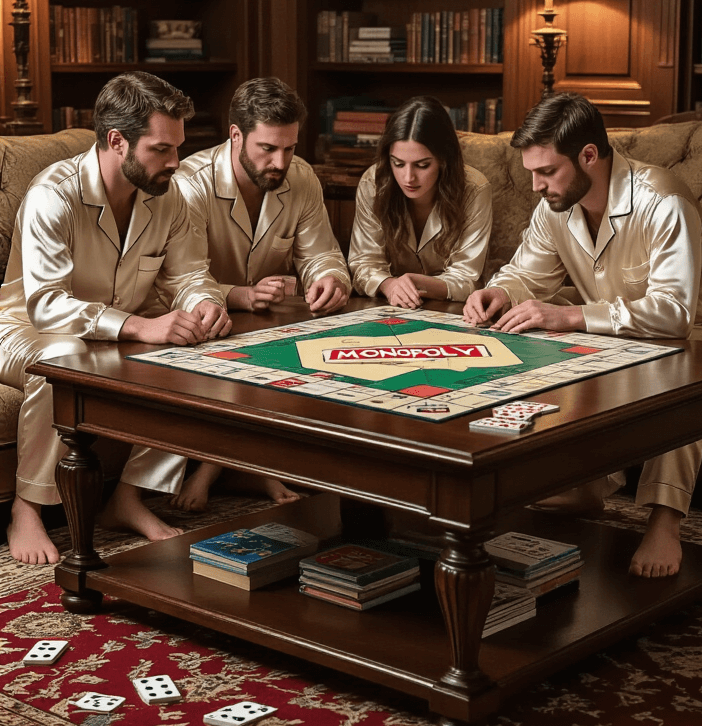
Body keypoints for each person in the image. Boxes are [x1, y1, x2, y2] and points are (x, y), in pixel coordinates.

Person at [462, 92, 702, 578]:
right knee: (525, 326)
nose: (535, 185)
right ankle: (582, 484)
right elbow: (526, 274)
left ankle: (666, 519)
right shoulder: (556, 203)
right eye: (531, 172)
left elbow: (674, 315)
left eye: (547, 171)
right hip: (620, 328)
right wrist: (499, 292)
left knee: (671, 362)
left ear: (589, 154)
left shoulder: (663, 201)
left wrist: (569, 317)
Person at [0, 71, 232, 566]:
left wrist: (204, 304)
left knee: (199, 353)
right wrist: (140, 327)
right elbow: (45, 305)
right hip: (25, 331)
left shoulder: (169, 194)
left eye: (178, 148)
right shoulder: (53, 194)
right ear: (116, 141)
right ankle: (27, 507)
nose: (176, 162)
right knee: (65, 356)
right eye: (161, 149)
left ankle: (127, 498)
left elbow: (190, 273)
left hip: (115, 332)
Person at [173, 76, 352, 510]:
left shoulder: (301, 176)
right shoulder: (190, 183)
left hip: (274, 318)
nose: (280, 161)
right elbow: (178, 277)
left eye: (289, 148)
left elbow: (322, 254)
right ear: (236, 135)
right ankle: (245, 468)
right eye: (268, 148)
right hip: (206, 319)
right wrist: (240, 295)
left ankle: (296, 472)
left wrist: (329, 279)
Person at [348, 95, 493, 307]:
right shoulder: (374, 183)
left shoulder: (475, 189)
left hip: (452, 308)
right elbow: (363, 262)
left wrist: (417, 284)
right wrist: (389, 285)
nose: (408, 178)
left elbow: (466, 277)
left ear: (444, 159)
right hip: (388, 305)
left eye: (422, 165)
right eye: (398, 164)